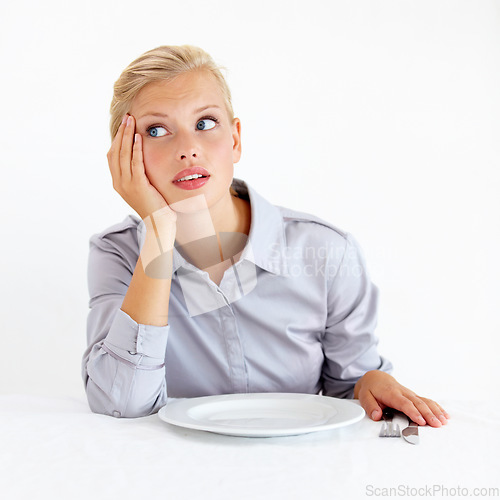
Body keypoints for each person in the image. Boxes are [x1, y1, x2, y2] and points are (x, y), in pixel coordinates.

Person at [82, 45, 449, 427]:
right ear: (125, 156)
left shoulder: (326, 251)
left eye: (205, 123)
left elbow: (349, 390)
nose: (188, 149)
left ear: (236, 139)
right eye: (157, 130)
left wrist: (369, 382)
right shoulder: (117, 253)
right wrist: (158, 230)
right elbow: (122, 404)